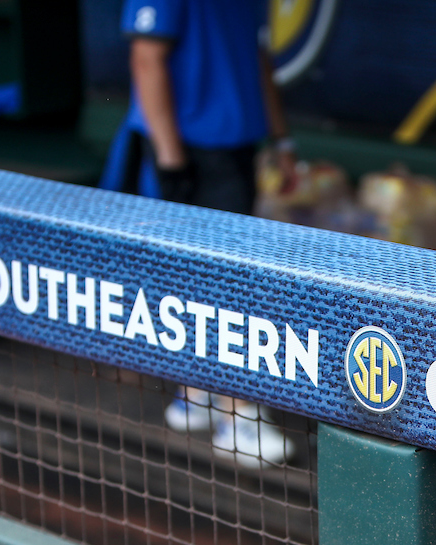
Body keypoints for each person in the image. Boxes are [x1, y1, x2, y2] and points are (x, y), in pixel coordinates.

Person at [118, 0, 296, 465]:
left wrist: (282, 139)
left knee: (215, 277)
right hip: (188, 148)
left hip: (237, 143)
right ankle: (237, 419)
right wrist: (172, 156)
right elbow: (146, 58)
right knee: (220, 283)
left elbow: (258, 58)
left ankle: (196, 393)